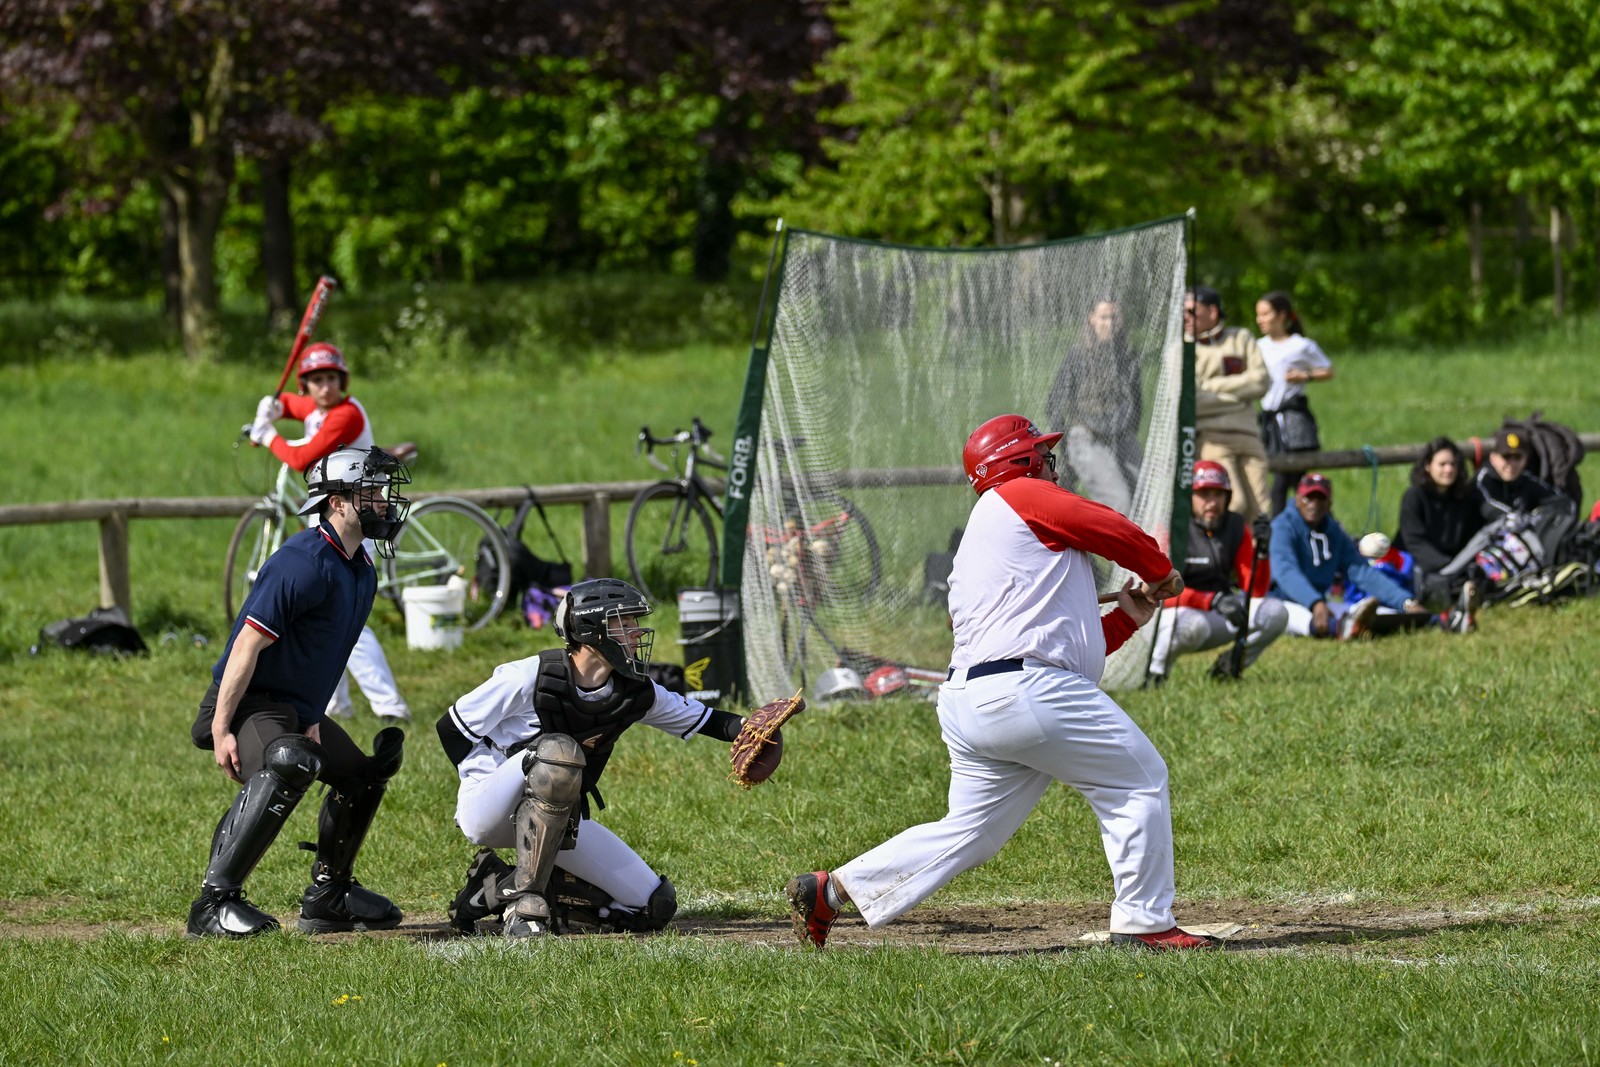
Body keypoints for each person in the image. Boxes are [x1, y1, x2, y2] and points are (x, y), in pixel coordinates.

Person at [785, 414, 1217, 952]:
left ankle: (835, 888)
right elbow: (1114, 530)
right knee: (1137, 780)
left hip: (976, 699)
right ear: (1018, 461)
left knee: (970, 831)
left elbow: (1068, 643)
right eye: (1041, 454)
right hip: (1024, 692)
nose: (1050, 464)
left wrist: (1129, 615)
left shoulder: (991, 537)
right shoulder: (1022, 497)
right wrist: (1159, 570)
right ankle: (1145, 922)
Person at [438, 578, 757, 938]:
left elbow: (703, 718)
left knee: (653, 905)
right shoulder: (530, 675)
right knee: (557, 754)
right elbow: (451, 728)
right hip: (489, 808)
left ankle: (491, 887)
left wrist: (754, 730)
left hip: (557, 820)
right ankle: (524, 904)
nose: (637, 632)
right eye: (625, 622)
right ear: (592, 628)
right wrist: (480, 784)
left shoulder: (632, 689)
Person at [186, 447, 412, 938]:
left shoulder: (360, 570)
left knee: (366, 773)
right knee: (292, 760)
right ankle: (213, 904)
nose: (382, 502)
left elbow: (330, 654)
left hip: (289, 708)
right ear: (336, 503)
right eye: (369, 493)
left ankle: (328, 897)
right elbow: (246, 645)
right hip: (246, 702)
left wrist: (311, 715)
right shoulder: (301, 562)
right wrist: (222, 728)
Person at [245, 343, 410, 722]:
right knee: (321, 610)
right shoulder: (319, 407)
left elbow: (304, 459)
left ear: (342, 381)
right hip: (333, 516)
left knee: (345, 610)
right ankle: (335, 704)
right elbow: (291, 402)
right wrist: (271, 407)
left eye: (331, 379)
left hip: (357, 517)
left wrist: (268, 435)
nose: (325, 387)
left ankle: (390, 706)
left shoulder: (346, 414)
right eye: (316, 380)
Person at [1148, 460, 1287, 683]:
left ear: (1228, 498)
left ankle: (1229, 666)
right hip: (1178, 613)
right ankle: (1155, 671)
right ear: (1189, 497)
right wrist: (1210, 600)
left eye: (1218, 494)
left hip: (1220, 610)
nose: (1212, 502)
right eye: (1204, 494)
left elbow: (1256, 590)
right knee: (1194, 625)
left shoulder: (1235, 525)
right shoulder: (1172, 527)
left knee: (1276, 613)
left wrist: (1262, 552)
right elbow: (1156, 592)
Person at [1269, 472, 1429, 639]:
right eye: (1308, 498)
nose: (1313, 504)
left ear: (1329, 503)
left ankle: (1432, 620)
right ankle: (1339, 629)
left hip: (1319, 602)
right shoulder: (1282, 527)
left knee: (1386, 615)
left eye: (1320, 498)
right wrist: (1315, 603)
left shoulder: (1333, 532)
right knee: (1303, 619)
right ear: (1297, 499)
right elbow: (1286, 571)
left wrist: (1406, 603)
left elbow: (1361, 572)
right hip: (1280, 600)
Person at [1045, 298, 1143, 515]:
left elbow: (1137, 403)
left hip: (1121, 436)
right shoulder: (1077, 356)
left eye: (1114, 317)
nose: (1109, 323)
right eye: (1103, 317)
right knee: (1120, 503)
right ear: (1091, 319)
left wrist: (1127, 435)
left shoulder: (1128, 355)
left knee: (1147, 496)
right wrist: (1065, 446)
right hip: (1086, 438)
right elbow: (1053, 404)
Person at [1188, 286, 1272, 522]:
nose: (1185, 317)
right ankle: (1229, 559)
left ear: (1212, 312)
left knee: (1261, 510)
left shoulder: (1241, 338)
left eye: (1192, 311)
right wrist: (1240, 396)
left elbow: (1262, 381)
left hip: (1249, 435)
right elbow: (1191, 401)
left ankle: (1258, 559)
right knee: (1235, 504)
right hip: (1212, 438)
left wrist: (1211, 387)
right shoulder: (1184, 349)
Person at [1255, 292, 1334, 516]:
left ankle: (1278, 529)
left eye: (1265, 314)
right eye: (1258, 315)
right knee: (1296, 480)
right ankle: (1320, 522)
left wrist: (1304, 376)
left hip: (1293, 421)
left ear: (1281, 316)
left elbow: (1327, 370)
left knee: (1283, 480)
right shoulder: (1258, 346)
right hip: (1270, 420)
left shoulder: (1300, 345)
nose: (1260, 319)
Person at [1394, 436, 1484, 624]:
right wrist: (1448, 566)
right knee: (1437, 583)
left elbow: (1472, 537)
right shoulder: (1414, 497)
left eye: (1452, 464)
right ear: (1428, 466)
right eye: (1442, 464)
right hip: (1420, 566)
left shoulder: (1465, 499)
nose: (1448, 469)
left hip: (1454, 566)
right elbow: (1414, 542)